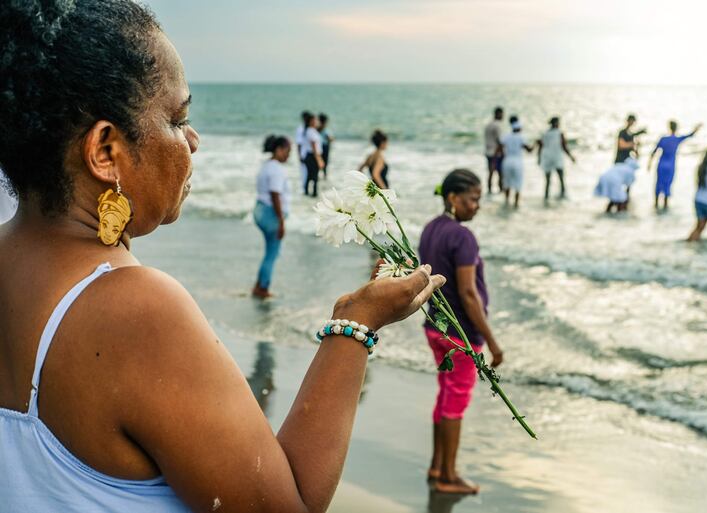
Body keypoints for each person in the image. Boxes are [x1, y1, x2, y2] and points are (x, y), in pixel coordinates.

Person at [0, 2, 446, 511]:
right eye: (178, 118)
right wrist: (356, 322)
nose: (194, 140)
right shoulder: (134, 310)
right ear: (105, 150)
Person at [419, 169, 504, 495]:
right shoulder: (463, 237)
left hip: (435, 326)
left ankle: (437, 465)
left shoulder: (430, 229)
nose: (477, 206)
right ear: (453, 197)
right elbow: (468, 294)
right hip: (461, 335)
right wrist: (493, 343)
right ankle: (448, 477)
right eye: (473, 199)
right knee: (455, 401)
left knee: (445, 394)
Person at [252, 135, 291, 299]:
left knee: (269, 252)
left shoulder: (267, 166)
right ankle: (262, 288)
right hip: (271, 214)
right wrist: (281, 222)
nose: (288, 155)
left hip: (261, 210)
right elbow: (275, 195)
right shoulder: (276, 169)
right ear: (279, 149)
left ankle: (258, 285)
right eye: (288, 151)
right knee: (272, 254)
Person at [647, 120, 701, 209]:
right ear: (676, 128)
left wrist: (649, 164)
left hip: (661, 165)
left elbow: (654, 152)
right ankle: (665, 207)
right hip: (670, 166)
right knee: (667, 186)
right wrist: (696, 128)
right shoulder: (677, 139)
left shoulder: (663, 139)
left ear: (669, 127)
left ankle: (656, 205)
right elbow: (690, 135)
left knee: (658, 185)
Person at [537, 117, 576, 201]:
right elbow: (564, 146)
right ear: (556, 123)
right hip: (557, 157)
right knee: (561, 178)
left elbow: (540, 146)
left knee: (547, 180)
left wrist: (539, 158)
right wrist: (571, 157)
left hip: (547, 157)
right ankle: (563, 194)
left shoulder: (545, 133)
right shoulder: (559, 133)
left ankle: (546, 196)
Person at [499, 116, 533, 208]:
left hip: (507, 160)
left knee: (507, 182)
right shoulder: (521, 137)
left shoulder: (506, 136)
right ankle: (516, 204)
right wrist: (536, 144)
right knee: (518, 184)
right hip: (517, 161)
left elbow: (500, 148)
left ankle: (506, 202)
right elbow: (529, 150)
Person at [299, 113, 325, 197]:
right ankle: (313, 193)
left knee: (310, 175)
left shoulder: (310, 130)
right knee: (314, 175)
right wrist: (319, 160)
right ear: (311, 121)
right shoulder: (311, 131)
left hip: (310, 155)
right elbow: (314, 147)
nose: (316, 121)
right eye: (315, 120)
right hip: (312, 156)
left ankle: (307, 193)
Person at [483, 107, 504, 193]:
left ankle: (489, 190)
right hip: (496, 153)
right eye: (502, 114)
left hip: (488, 151)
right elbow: (499, 141)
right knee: (500, 173)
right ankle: (501, 190)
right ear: (498, 114)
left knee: (490, 172)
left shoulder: (488, 125)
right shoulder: (497, 125)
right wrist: (503, 152)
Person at [295, 110, 311, 190]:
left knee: (309, 173)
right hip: (303, 154)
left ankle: (306, 189)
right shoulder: (301, 129)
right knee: (304, 173)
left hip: (308, 154)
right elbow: (298, 143)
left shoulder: (309, 129)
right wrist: (299, 155)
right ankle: (304, 189)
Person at [318, 113, 334, 179]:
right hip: (320, 147)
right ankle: (322, 176)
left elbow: (331, 139)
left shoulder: (325, 130)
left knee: (325, 162)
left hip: (325, 147)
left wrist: (329, 138)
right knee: (320, 162)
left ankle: (324, 176)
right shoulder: (319, 129)